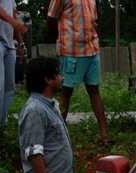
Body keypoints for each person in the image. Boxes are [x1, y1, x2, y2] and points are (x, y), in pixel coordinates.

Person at [47, 0, 113, 146]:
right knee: (66, 90)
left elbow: (93, 21)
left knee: (94, 89)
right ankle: (58, 136)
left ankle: (105, 134)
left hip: (92, 50)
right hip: (71, 51)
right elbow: (51, 20)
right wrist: (64, 39)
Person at [18, 56, 74, 173]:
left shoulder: (51, 106)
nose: (62, 77)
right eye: (59, 73)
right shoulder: (35, 111)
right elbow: (34, 153)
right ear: (48, 80)